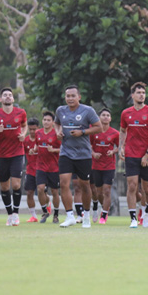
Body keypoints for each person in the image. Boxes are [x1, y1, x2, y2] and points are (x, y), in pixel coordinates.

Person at [54, 86, 101, 228]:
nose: (70, 98)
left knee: (84, 185)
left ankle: (86, 216)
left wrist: (83, 132)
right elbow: (57, 123)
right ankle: (70, 216)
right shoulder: (60, 110)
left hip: (83, 154)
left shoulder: (88, 111)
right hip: (66, 152)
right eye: (68, 96)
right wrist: (58, 132)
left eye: (73, 96)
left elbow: (98, 127)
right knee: (63, 183)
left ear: (79, 97)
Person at [119, 82, 148, 229]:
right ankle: (133, 219)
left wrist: (147, 155)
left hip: (147, 155)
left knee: (147, 189)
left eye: (143, 92)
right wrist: (121, 147)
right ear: (133, 95)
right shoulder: (126, 113)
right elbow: (123, 131)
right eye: (139, 92)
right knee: (132, 187)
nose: (141, 95)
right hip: (131, 154)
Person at [0, 87, 28, 226]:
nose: (8, 97)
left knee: (16, 184)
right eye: (5, 95)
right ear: (0, 99)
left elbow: (24, 126)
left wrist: (23, 134)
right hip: (1, 155)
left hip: (17, 153)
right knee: (5, 187)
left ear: (13, 99)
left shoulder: (21, 113)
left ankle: (16, 214)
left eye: (10, 95)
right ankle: (9, 214)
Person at [90, 108, 119, 224]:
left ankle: (104, 215)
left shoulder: (115, 133)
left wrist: (113, 151)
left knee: (107, 190)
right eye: (103, 115)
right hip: (96, 166)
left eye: (108, 115)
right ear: (99, 117)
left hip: (109, 166)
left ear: (110, 118)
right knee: (98, 192)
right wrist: (93, 153)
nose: (106, 117)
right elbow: (88, 145)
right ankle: (97, 207)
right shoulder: (94, 131)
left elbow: (120, 147)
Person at [35, 111, 61, 224]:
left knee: (55, 191)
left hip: (54, 167)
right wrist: (34, 150)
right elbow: (37, 145)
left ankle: (56, 214)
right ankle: (45, 211)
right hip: (40, 166)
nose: (46, 122)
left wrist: (54, 150)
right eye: (44, 120)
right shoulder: (38, 133)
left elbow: (63, 149)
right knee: (40, 189)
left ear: (53, 122)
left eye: (48, 120)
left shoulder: (57, 134)